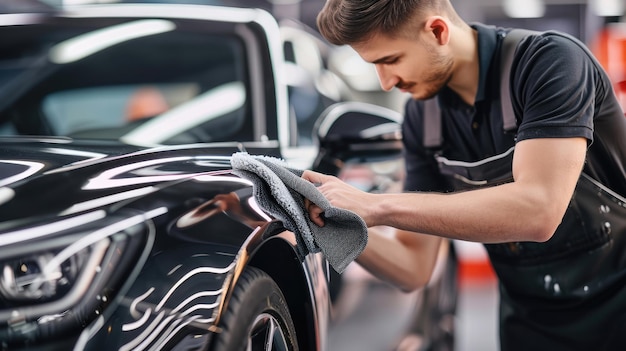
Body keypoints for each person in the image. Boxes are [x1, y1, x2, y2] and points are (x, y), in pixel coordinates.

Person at [302, 0, 626, 350]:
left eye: (391, 60)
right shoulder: (422, 119)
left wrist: (377, 206)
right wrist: (332, 224)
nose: (386, 82)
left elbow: (539, 209)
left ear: (438, 31)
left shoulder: (549, 63)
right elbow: (414, 267)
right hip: (532, 327)